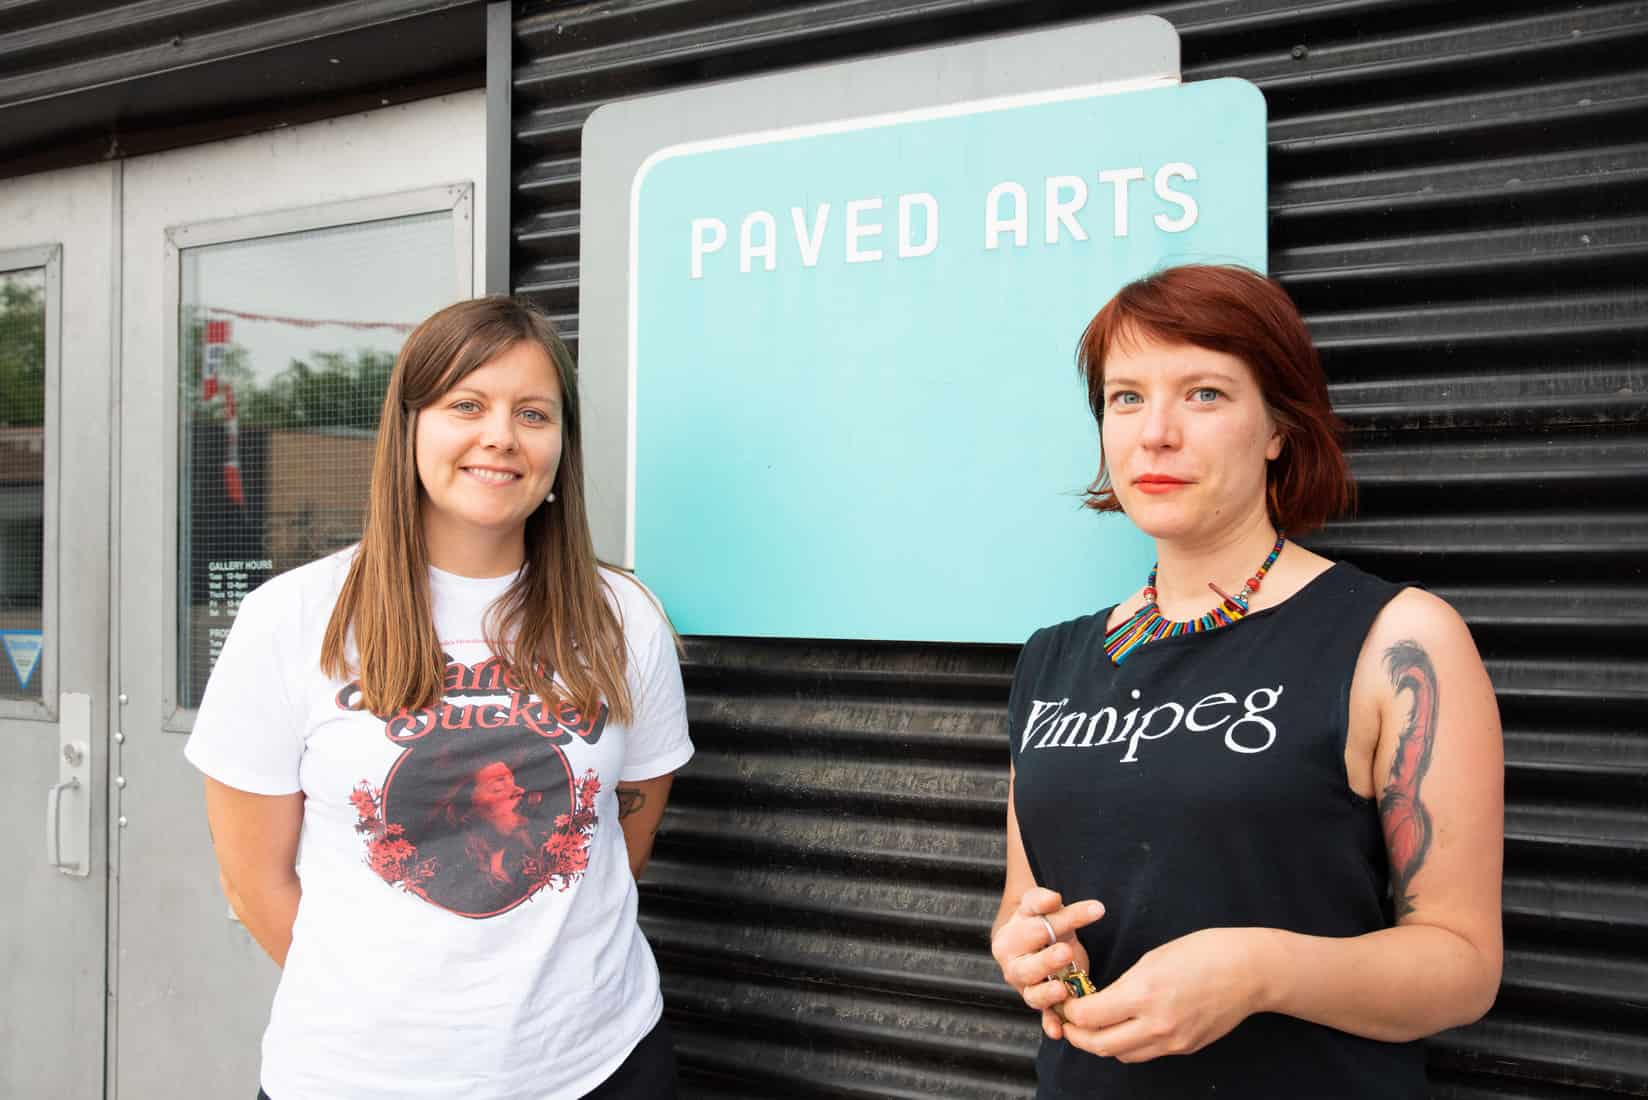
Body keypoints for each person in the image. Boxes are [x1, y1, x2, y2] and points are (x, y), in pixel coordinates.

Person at [989, 265, 1503, 1098]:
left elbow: (1463, 964)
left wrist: (1258, 971)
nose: (1155, 433)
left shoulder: (1395, 640)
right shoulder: (1052, 660)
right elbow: (1025, 907)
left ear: (1277, 428)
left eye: (1204, 394)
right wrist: (1029, 951)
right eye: (1126, 397)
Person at [186, 297, 692, 1100]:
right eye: (467, 405)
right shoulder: (293, 617)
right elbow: (254, 884)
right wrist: (403, 1020)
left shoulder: (623, 616)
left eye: (533, 413)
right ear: (410, 426)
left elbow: (619, 835)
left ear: (562, 446)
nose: (500, 435)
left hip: (600, 1066)